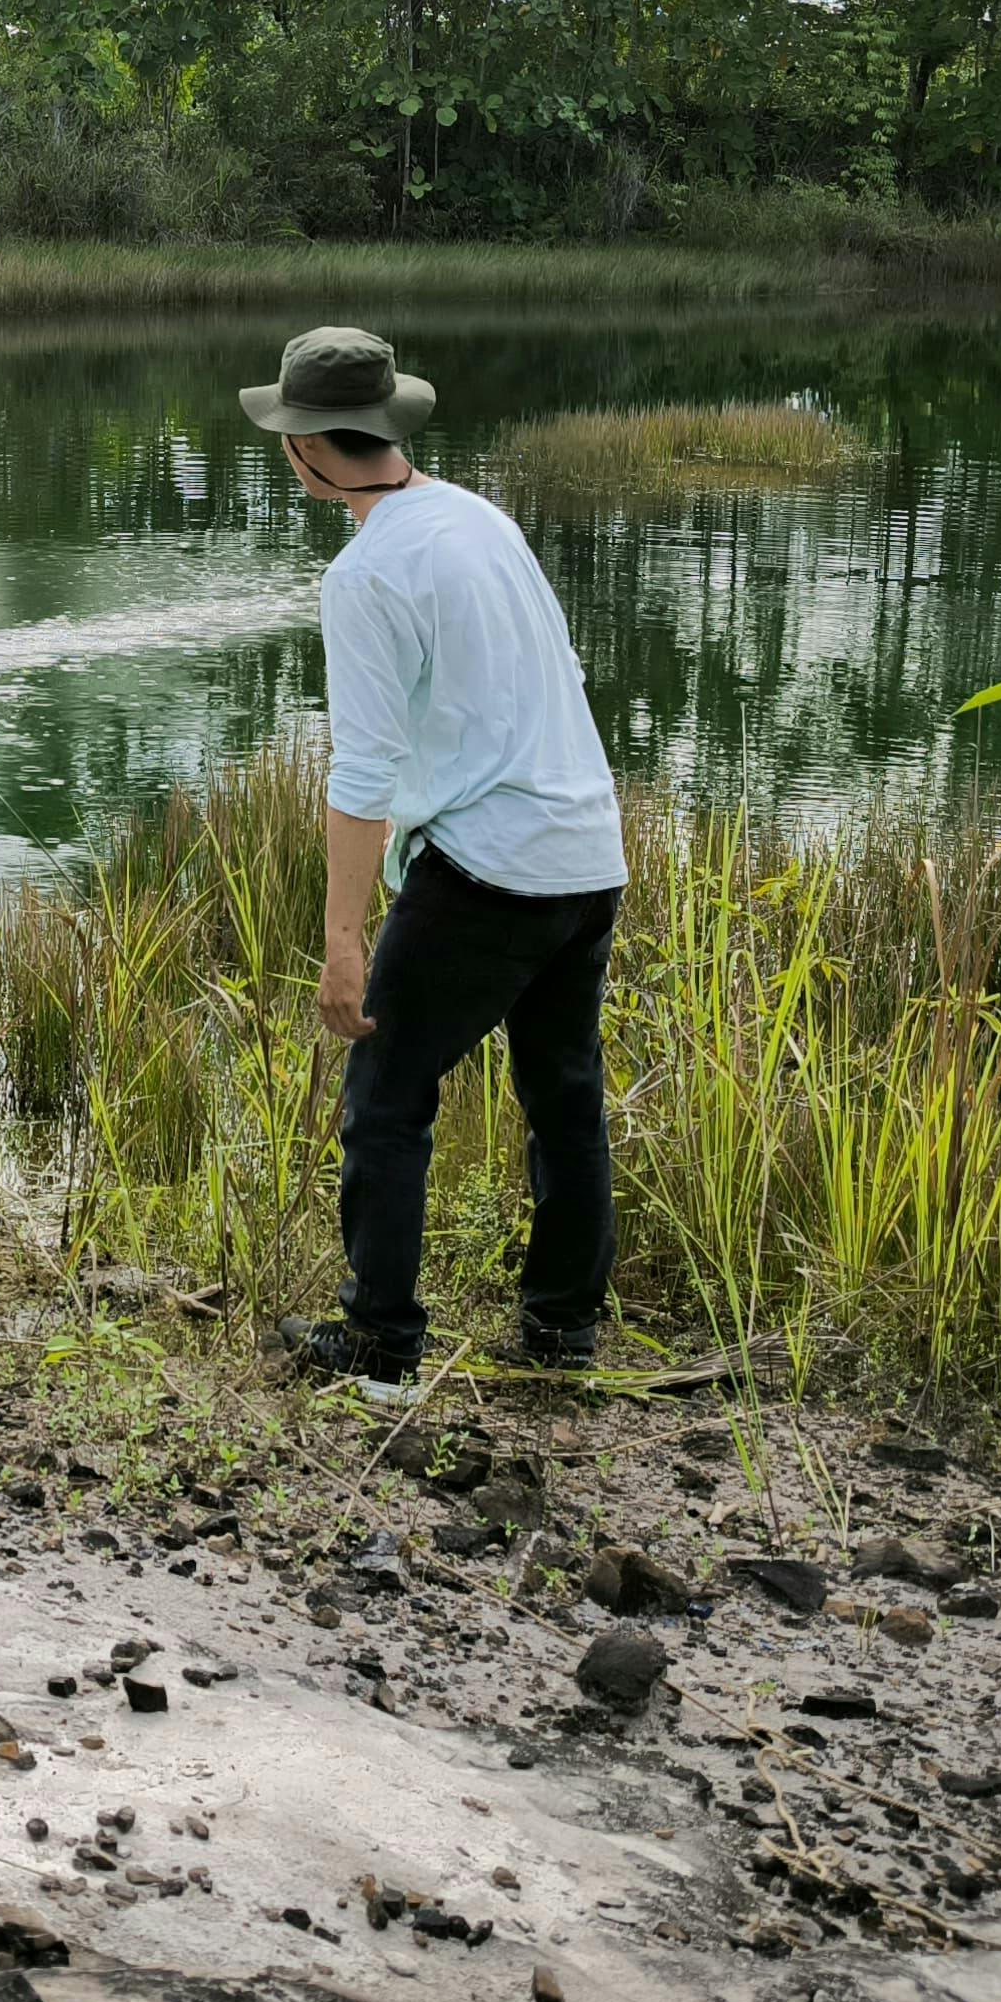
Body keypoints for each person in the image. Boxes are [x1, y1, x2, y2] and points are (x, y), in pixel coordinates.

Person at [243, 325, 629, 1386]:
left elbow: (362, 775)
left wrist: (341, 937)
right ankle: (559, 1334)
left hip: (488, 870)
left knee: (385, 1102)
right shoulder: (478, 519)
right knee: (562, 1094)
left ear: (307, 449)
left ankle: (377, 1344)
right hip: (588, 855)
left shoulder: (367, 574)